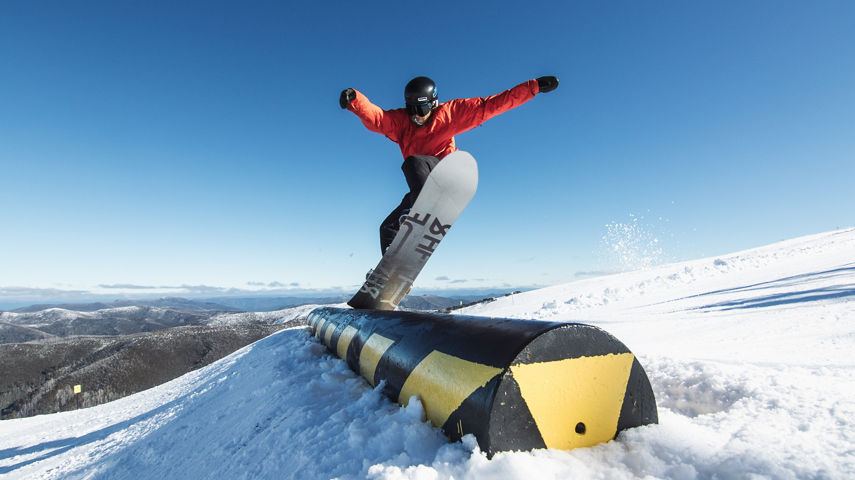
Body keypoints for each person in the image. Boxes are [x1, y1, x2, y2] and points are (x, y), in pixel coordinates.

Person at [340, 75, 559, 255]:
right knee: (387, 228)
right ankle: (391, 271)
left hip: (446, 173)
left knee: (413, 162)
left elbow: (492, 105)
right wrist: (355, 102)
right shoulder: (401, 123)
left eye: (421, 110)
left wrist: (534, 87)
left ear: (433, 104)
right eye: (411, 110)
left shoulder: (451, 114)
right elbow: (378, 118)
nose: (416, 116)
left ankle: (422, 207)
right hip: (422, 187)